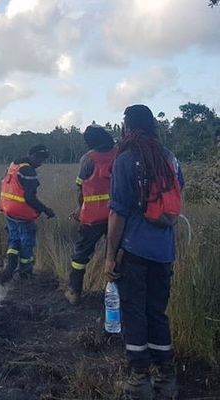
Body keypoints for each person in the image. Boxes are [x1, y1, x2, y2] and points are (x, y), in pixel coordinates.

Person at [106, 105, 183, 399]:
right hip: (164, 252)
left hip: (134, 252)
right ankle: (166, 378)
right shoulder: (170, 159)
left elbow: (118, 214)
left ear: (127, 128)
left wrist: (110, 255)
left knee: (134, 312)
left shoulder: (125, 160)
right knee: (157, 312)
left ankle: (139, 380)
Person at [65, 125, 117, 305]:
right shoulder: (120, 154)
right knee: (115, 255)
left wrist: (81, 209)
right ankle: (115, 296)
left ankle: (74, 292)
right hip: (117, 216)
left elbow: (80, 189)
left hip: (92, 217)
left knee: (81, 254)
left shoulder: (88, 159)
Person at [0, 145, 56, 282]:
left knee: (14, 239)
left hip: (8, 210)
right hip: (21, 213)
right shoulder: (28, 170)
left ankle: (10, 268)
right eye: (40, 159)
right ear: (33, 156)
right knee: (27, 242)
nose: (40, 163)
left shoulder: (14, 165)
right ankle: (25, 273)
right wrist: (46, 210)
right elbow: (30, 197)